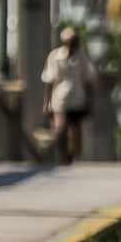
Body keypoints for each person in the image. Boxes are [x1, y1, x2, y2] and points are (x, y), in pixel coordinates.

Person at [42, 27, 98, 163]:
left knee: (75, 130)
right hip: (60, 99)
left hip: (77, 98)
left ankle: (72, 156)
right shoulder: (55, 56)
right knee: (60, 129)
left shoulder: (82, 57)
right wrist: (46, 103)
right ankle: (63, 154)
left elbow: (89, 79)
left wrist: (90, 101)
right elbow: (49, 80)